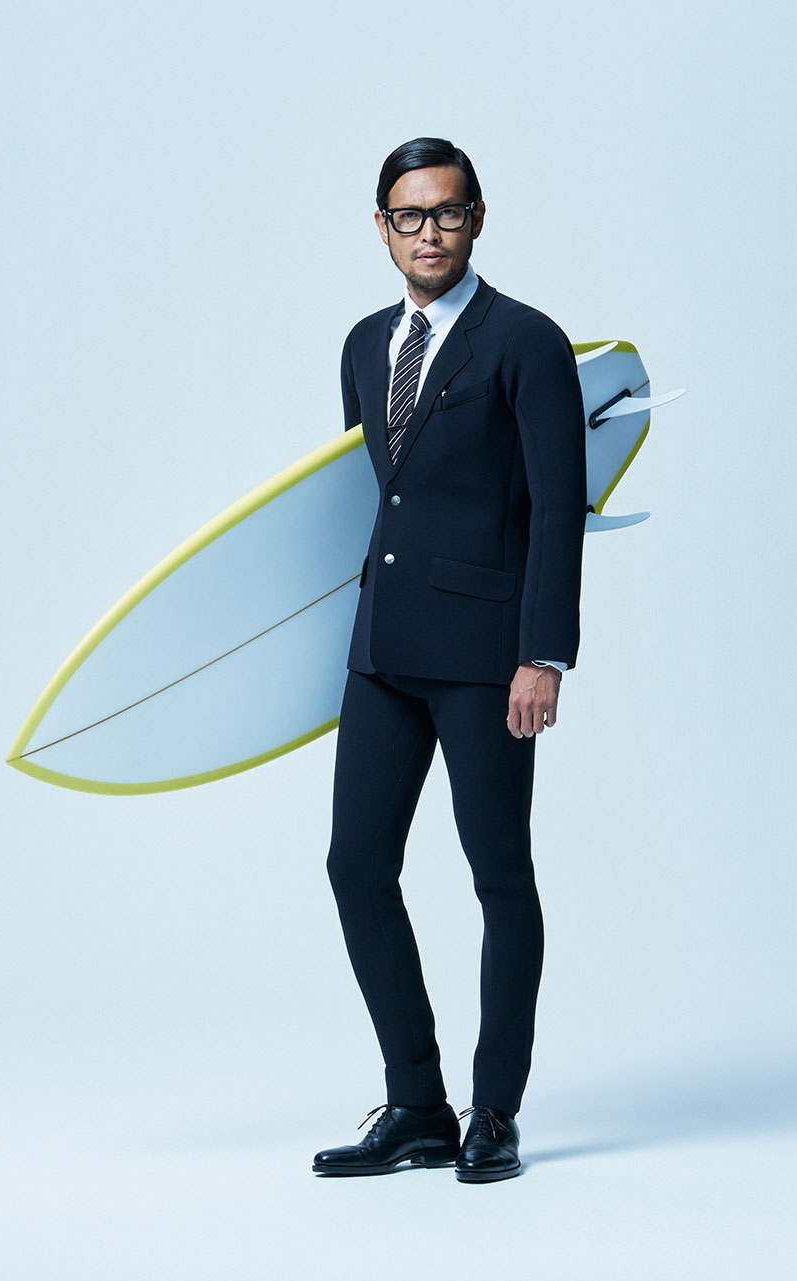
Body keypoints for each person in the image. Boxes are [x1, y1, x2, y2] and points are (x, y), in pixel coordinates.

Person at [310, 137, 587, 1183]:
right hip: (383, 651)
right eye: (410, 215)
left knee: (499, 875)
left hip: (485, 656)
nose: (430, 232)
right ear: (382, 228)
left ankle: (494, 1112)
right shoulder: (362, 344)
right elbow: (367, 499)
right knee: (356, 866)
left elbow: (558, 507)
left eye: (448, 211)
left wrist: (543, 654)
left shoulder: (526, 341)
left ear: (477, 218)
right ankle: (418, 1106)